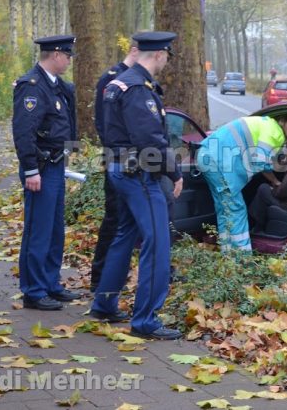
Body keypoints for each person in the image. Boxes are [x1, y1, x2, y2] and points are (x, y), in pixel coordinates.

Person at [90, 31, 184, 341]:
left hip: (120, 168)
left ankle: (104, 303)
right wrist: (175, 172)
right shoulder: (137, 89)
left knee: (124, 235)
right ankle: (145, 319)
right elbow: (150, 140)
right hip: (140, 174)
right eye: (166, 57)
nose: (166, 62)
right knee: (156, 241)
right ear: (158, 54)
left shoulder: (117, 83)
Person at [12, 35, 82, 311]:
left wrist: (71, 150)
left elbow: (65, 122)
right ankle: (34, 290)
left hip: (56, 165)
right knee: (38, 231)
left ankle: (51, 283)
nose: (69, 60)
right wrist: (30, 169)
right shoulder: (32, 86)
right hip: (39, 168)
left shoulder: (57, 87)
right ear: (55, 55)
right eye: (67, 55)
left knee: (54, 230)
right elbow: (23, 131)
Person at [196, 114, 287, 251]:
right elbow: (261, 163)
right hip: (220, 162)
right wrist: (276, 182)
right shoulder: (274, 132)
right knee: (236, 209)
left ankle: (228, 254)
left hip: (207, 155)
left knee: (224, 209)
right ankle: (241, 260)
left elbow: (271, 160)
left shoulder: (267, 124)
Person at [90, 37, 141, 293]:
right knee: (114, 218)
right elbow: (104, 123)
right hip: (118, 158)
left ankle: (118, 276)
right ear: (134, 51)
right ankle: (99, 278)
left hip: (137, 161)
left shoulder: (137, 79)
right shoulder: (112, 78)